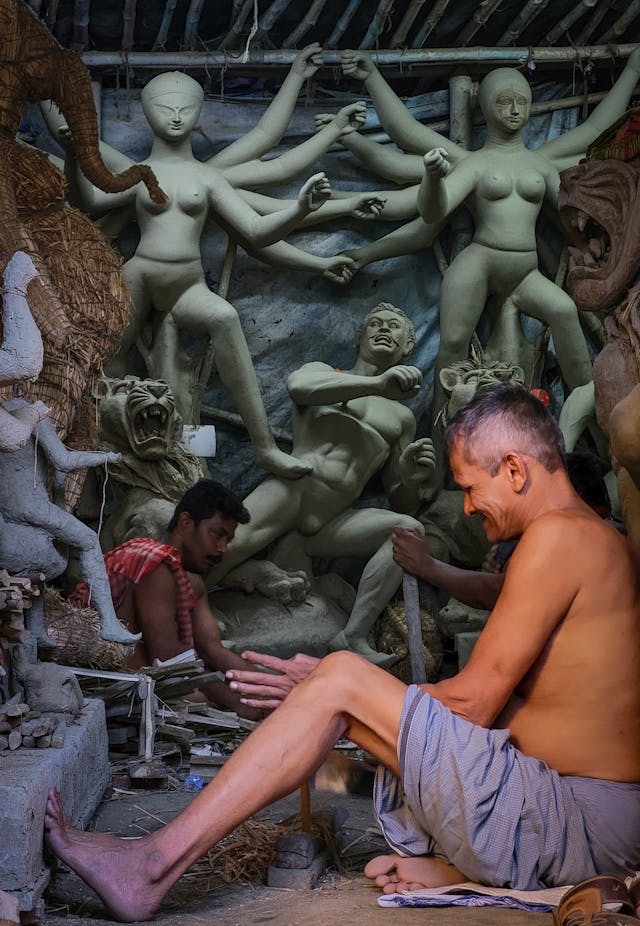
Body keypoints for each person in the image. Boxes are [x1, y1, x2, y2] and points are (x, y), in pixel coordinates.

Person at [45, 382, 640, 920]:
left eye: (468, 488)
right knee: (338, 687)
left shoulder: (559, 536)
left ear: (513, 469)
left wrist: (337, 691)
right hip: (568, 813)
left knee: (340, 679)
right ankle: (452, 861)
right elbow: (518, 713)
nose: (466, 507)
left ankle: (150, 867)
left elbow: (473, 707)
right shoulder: (586, 539)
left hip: (579, 826)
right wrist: (339, 700)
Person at [41, 45, 365, 477]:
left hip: (188, 283)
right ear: (146, 113)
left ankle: (265, 447)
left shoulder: (208, 177)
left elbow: (255, 231)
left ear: (199, 114)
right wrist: (72, 158)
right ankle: (83, 450)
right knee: (103, 353)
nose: (176, 116)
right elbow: (90, 204)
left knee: (225, 317)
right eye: (165, 107)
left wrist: (300, 209)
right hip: (140, 275)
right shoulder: (139, 173)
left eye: (186, 108)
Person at [340, 49, 640, 416]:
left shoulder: (540, 164)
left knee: (564, 311)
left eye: (521, 102)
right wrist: (373, 79)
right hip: (479, 262)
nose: (514, 109)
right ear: (485, 107)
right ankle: (438, 441)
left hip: (525, 270)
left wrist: (632, 70)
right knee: (453, 344)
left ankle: (592, 422)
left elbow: (593, 132)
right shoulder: (474, 163)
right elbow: (423, 178)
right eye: (504, 101)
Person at [207, 301, 436, 666]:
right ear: (359, 336)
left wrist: (408, 477)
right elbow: (299, 387)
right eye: (375, 323)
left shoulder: (402, 417)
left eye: (394, 326)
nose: (383, 329)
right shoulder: (324, 372)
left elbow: (402, 502)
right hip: (294, 490)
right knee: (222, 548)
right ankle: (188, 611)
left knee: (408, 530)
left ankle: (352, 635)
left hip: (332, 519)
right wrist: (376, 385)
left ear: (408, 346)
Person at [69, 479, 262, 719]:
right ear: (185, 523)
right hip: (113, 689)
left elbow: (212, 649)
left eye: (228, 540)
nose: (223, 548)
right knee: (194, 699)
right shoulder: (155, 563)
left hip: (154, 684)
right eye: (217, 535)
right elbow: (171, 663)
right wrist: (242, 705)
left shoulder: (191, 582)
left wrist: (271, 688)